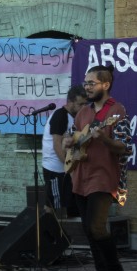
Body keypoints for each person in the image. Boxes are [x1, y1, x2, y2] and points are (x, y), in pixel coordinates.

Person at [64, 65, 133, 271]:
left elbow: (124, 147)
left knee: (97, 227)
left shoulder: (117, 111)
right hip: (81, 176)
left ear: (105, 85)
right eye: (85, 83)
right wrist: (68, 141)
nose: (87, 87)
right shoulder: (83, 112)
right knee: (88, 230)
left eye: (91, 83)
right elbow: (71, 136)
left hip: (104, 177)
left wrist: (103, 138)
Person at [42, 85, 87, 218]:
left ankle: (68, 234)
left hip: (66, 166)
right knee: (53, 205)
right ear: (71, 102)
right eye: (80, 104)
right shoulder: (60, 116)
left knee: (70, 203)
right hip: (55, 168)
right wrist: (70, 168)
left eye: (85, 104)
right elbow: (57, 146)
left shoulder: (74, 117)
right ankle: (51, 234)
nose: (83, 108)